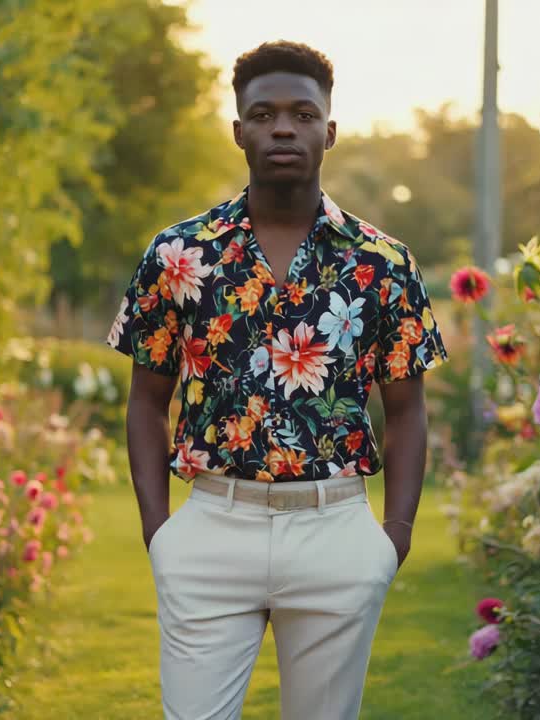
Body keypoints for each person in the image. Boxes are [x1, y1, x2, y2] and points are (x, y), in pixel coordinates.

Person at [106, 40, 447, 720]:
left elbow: (408, 410)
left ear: (330, 131)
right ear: (239, 131)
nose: (284, 128)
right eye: (264, 115)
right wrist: (159, 533)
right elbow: (146, 401)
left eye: (303, 114)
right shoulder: (179, 253)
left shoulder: (383, 262)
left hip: (336, 529)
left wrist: (394, 538)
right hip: (211, 526)